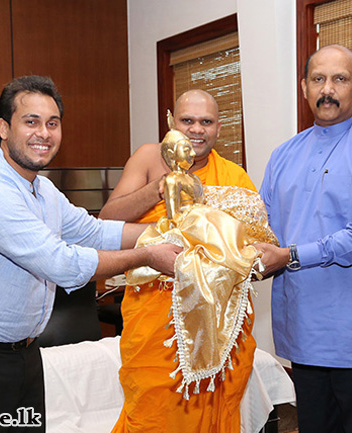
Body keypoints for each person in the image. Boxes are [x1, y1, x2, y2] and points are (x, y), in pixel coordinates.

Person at [0, 75, 180, 432]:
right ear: (4, 128)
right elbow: (63, 264)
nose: (44, 133)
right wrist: (149, 255)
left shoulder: (43, 189)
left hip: (21, 356)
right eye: (31, 121)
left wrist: (176, 235)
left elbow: (96, 231)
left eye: (52, 123)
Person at [255, 45, 352, 433]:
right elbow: (262, 230)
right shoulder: (283, 155)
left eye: (340, 79)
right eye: (318, 79)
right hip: (303, 337)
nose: (328, 89)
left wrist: (289, 256)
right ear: (305, 87)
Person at [101, 90, 259, 433]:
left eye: (206, 122)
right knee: (153, 411)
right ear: (171, 121)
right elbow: (108, 221)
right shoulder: (147, 157)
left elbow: (255, 244)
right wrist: (158, 188)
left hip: (217, 325)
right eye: (187, 121)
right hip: (155, 320)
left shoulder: (234, 177)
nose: (196, 130)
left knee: (216, 409)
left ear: (219, 128)